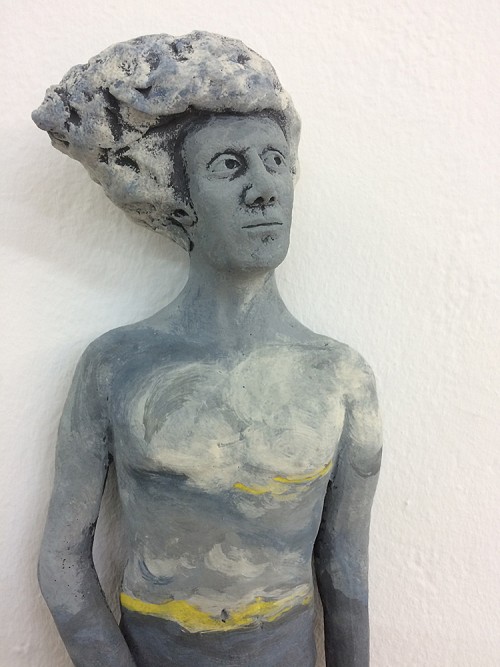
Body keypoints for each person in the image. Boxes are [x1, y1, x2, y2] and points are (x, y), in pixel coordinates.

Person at [33, 32, 382, 667]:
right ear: (179, 198)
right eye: (229, 166)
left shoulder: (341, 376)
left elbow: (346, 571)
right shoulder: (117, 365)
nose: (264, 188)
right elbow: (61, 562)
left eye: (275, 161)